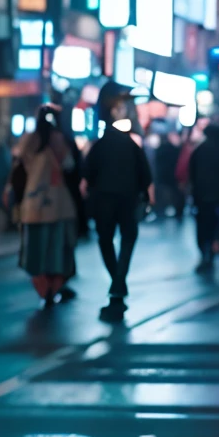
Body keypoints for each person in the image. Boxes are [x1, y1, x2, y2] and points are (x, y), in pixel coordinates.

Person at [82, 95, 153, 321]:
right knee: (128, 239)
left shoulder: (99, 146)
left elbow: (86, 177)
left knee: (105, 240)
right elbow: (146, 175)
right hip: (128, 200)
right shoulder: (132, 146)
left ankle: (117, 282)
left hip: (103, 201)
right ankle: (119, 282)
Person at [12, 106, 78, 306]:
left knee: (35, 251)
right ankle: (54, 286)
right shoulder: (60, 140)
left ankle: (44, 289)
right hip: (59, 205)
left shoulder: (29, 140)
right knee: (58, 250)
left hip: (33, 206)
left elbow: (19, 164)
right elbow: (70, 165)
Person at [189, 118, 219, 271]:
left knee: (204, 227)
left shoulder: (199, 150)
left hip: (202, 197)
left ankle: (205, 254)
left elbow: (192, 174)